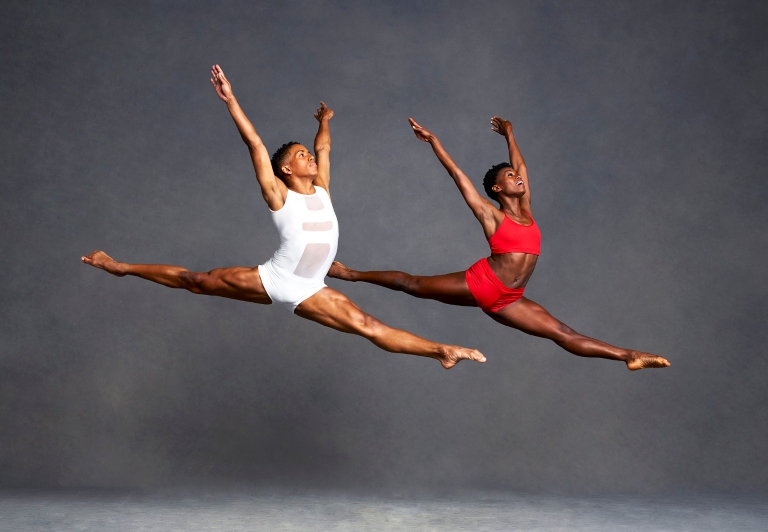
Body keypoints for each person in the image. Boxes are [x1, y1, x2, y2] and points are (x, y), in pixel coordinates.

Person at [81, 65, 485, 369]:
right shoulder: (279, 196)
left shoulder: (322, 188)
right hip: (277, 278)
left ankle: (441, 350)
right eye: (299, 156)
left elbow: (324, 149)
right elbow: (255, 143)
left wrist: (324, 123)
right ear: (287, 171)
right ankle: (120, 267)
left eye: (305, 153)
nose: (308, 156)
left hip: (309, 285)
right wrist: (231, 99)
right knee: (194, 281)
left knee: (368, 324)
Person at [329, 117, 670, 371]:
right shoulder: (491, 215)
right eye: (509, 177)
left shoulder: (526, 209)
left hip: (510, 299)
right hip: (483, 283)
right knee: (413, 284)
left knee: (563, 332)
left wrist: (510, 134)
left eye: (516, 175)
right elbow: (458, 176)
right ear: (496, 190)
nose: (517, 177)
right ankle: (352, 274)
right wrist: (434, 141)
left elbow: (521, 165)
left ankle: (630, 355)